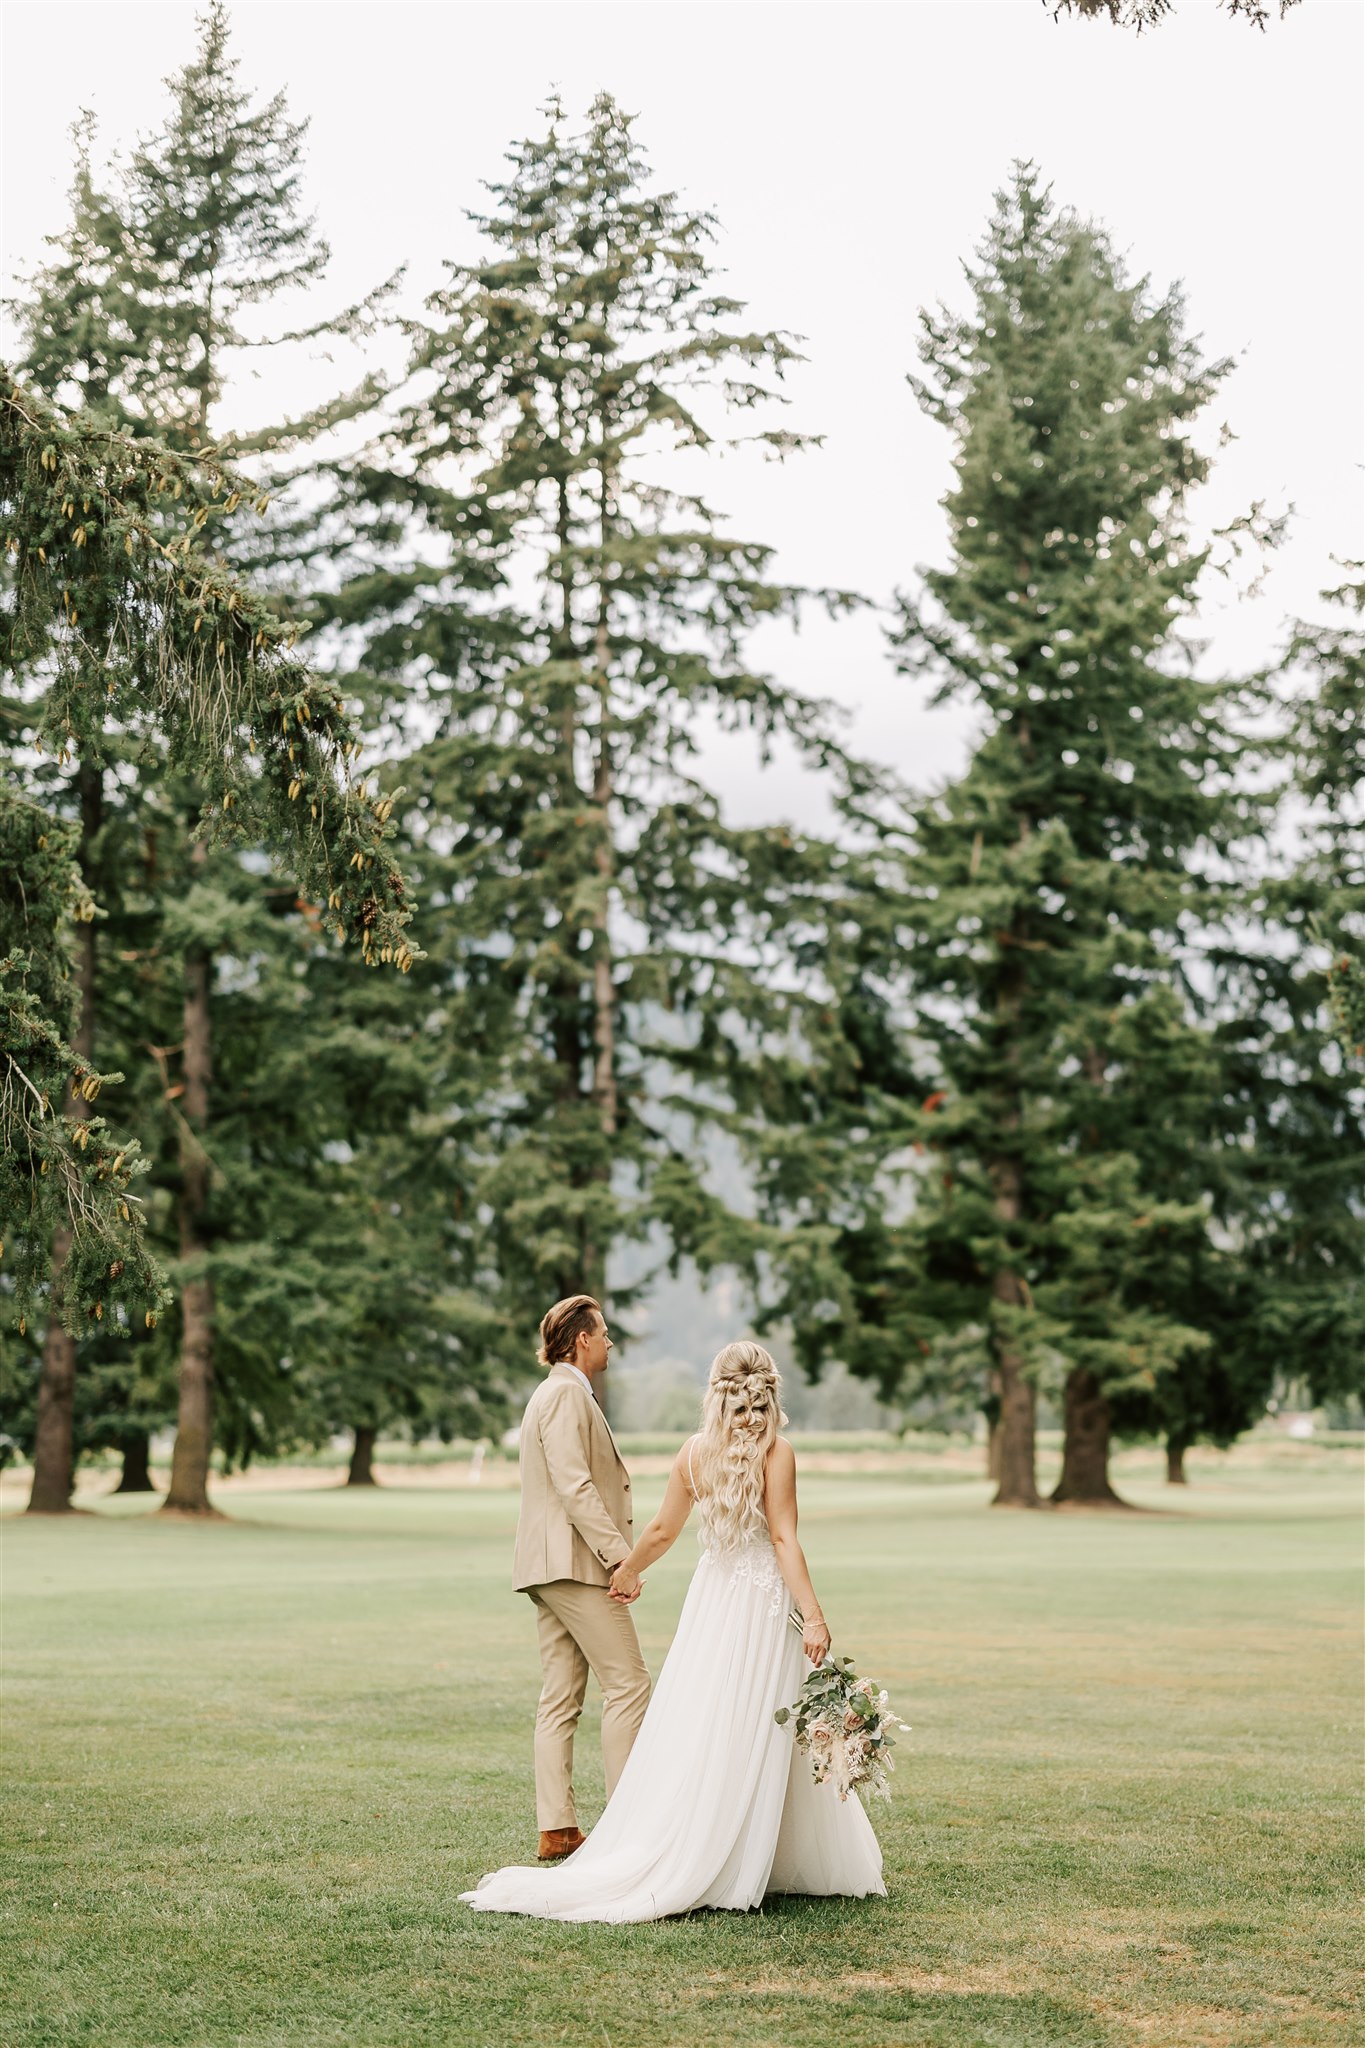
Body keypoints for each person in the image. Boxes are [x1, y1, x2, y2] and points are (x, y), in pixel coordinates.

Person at [461, 1339, 886, 1921]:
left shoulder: (692, 1453)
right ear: (767, 1391)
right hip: (760, 1600)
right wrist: (813, 1615)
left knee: (712, 1719)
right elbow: (784, 1538)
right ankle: (740, 1853)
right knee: (761, 1721)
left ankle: (742, 1848)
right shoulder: (777, 1452)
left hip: (713, 1601)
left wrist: (628, 1569)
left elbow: (662, 1529)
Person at [511, 1294, 651, 1863]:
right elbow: (575, 1485)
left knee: (561, 1698)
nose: (612, 1342)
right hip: (575, 1563)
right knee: (630, 1685)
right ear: (581, 1340)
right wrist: (621, 1557)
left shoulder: (554, 1393)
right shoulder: (567, 1393)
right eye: (606, 1333)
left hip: (548, 1567)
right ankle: (628, 1821)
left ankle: (559, 1830)